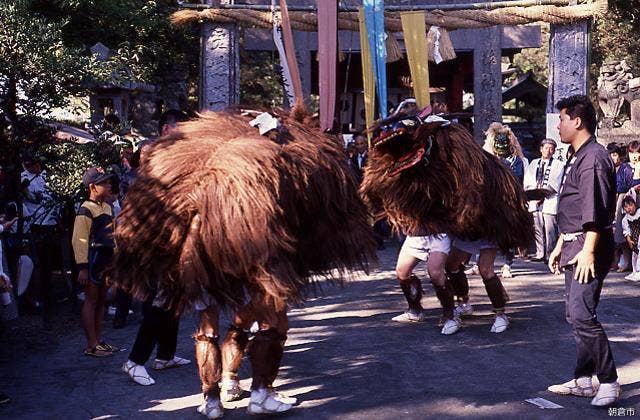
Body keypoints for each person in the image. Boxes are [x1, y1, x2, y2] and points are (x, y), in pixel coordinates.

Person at [547, 95, 620, 407]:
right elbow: (573, 207)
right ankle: (582, 379)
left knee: (581, 314)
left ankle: (609, 381)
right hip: (575, 243)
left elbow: (593, 210)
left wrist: (588, 250)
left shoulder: (594, 157)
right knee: (573, 314)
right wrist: (560, 244)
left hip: (589, 246)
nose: (559, 125)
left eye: (562, 118)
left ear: (577, 121)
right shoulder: (577, 155)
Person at [121, 113, 191, 385]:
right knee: (157, 304)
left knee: (173, 300)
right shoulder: (141, 182)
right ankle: (135, 360)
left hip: (169, 245)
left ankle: (165, 355)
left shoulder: (161, 179)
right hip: (151, 249)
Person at [72, 167, 119, 357]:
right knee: (91, 300)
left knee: (102, 301)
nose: (109, 185)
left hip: (106, 259)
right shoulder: (85, 209)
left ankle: (99, 340)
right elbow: (79, 239)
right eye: (104, 183)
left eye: (109, 182)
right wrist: (82, 267)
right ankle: (91, 344)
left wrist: (116, 259)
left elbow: (112, 236)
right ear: (92, 187)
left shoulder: (107, 208)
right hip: (93, 259)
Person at [391, 233, 460, 335]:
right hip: (416, 233)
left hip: (440, 233)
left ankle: (450, 315)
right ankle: (415, 310)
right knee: (402, 272)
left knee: (435, 273)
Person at [483, 122, 525, 278]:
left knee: (509, 235)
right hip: (491, 202)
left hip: (509, 201)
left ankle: (508, 264)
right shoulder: (489, 159)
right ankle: (480, 263)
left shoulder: (516, 161)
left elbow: (517, 181)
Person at [21, 154, 60, 315]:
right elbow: (30, 199)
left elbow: (54, 197)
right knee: (36, 262)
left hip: (50, 222)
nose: (30, 168)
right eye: (27, 165)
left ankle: (49, 295)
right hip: (34, 225)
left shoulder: (47, 175)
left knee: (49, 262)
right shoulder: (22, 178)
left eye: (32, 165)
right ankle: (36, 297)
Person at [523, 138, 564, 262]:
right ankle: (540, 252)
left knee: (550, 229)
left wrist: (542, 194)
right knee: (537, 228)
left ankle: (550, 254)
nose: (549, 151)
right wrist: (534, 194)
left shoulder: (558, 164)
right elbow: (528, 180)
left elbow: (555, 182)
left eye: (551, 149)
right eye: (546, 148)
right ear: (541, 149)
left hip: (549, 199)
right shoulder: (534, 163)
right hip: (535, 200)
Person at [621, 196, 640, 281]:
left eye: (630, 205)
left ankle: (639, 271)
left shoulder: (639, 213)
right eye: (626, 207)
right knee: (635, 254)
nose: (629, 208)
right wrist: (629, 239)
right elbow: (626, 230)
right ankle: (635, 271)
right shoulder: (625, 219)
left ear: (635, 205)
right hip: (634, 238)